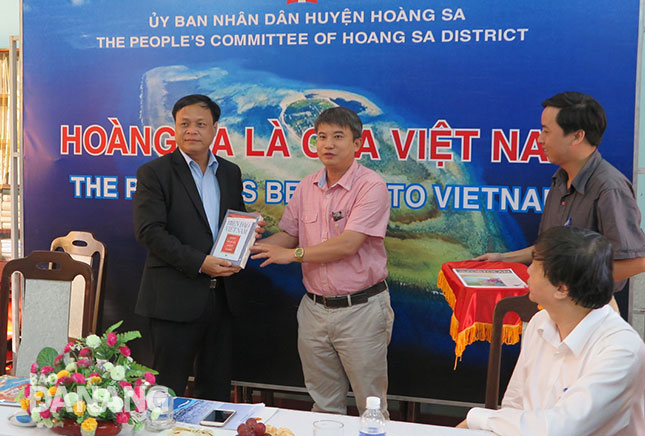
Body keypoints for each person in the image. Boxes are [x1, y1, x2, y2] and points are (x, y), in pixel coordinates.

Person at [251, 107, 394, 417]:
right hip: (314, 311)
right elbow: (289, 235)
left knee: (371, 406)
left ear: (358, 143)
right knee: (324, 405)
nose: (328, 144)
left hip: (361, 311)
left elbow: (348, 245)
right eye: (321, 137)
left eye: (338, 137)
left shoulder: (371, 186)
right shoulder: (307, 186)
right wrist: (247, 247)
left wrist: (292, 256)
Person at [459, 226, 645, 435]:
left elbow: (559, 429)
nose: (528, 270)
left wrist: (477, 418)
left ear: (561, 288)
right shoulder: (541, 322)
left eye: (536, 266)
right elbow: (514, 405)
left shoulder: (621, 350)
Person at [476, 92, 645, 307]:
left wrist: (570, 281)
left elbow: (636, 262)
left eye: (546, 131)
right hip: (555, 306)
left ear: (577, 136)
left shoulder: (609, 187)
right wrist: (502, 259)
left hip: (588, 310)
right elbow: (550, 250)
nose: (540, 139)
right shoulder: (560, 180)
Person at [133, 94, 248, 401]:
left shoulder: (229, 172)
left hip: (222, 298)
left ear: (214, 130)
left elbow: (234, 222)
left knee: (216, 391)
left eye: (200, 124)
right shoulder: (154, 173)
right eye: (184, 124)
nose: (192, 130)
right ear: (174, 128)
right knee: (165, 391)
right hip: (173, 299)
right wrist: (201, 262)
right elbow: (150, 232)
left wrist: (249, 231)